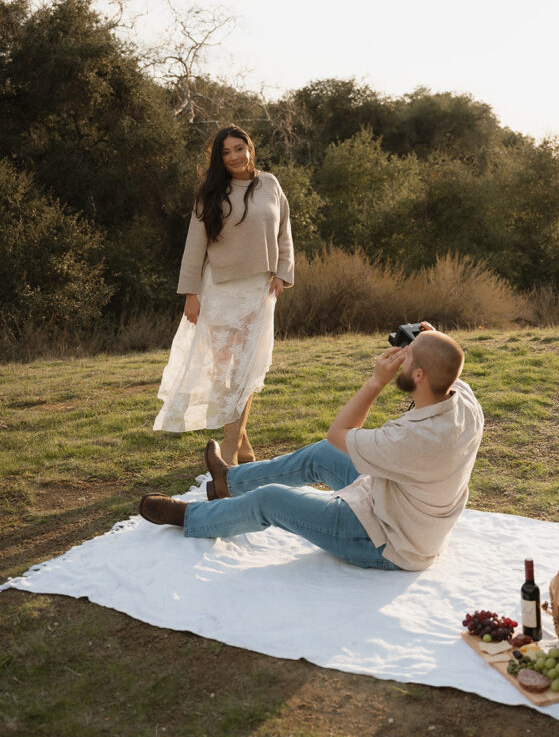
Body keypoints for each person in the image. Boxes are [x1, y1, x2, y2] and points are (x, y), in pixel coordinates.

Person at [141, 325, 484, 572]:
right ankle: (227, 483)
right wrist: (430, 339)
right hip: (395, 501)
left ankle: (191, 517)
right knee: (321, 455)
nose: (400, 359)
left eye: (407, 358)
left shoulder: (411, 441)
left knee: (270, 500)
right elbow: (447, 364)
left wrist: (377, 380)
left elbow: (340, 432)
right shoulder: (465, 404)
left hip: (387, 540)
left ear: (420, 375)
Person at [153, 125, 294, 465]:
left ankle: (230, 448)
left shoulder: (270, 184)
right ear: (219, 157)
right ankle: (241, 444)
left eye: (238, 149)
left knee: (247, 367)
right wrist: (190, 293)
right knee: (222, 372)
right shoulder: (211, 193)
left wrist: (283, 273)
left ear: (250, 148)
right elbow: (194, 247)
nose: (234, 157)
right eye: (226, 152)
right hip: (218, 291)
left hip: (258, 291)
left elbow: (284, 231)